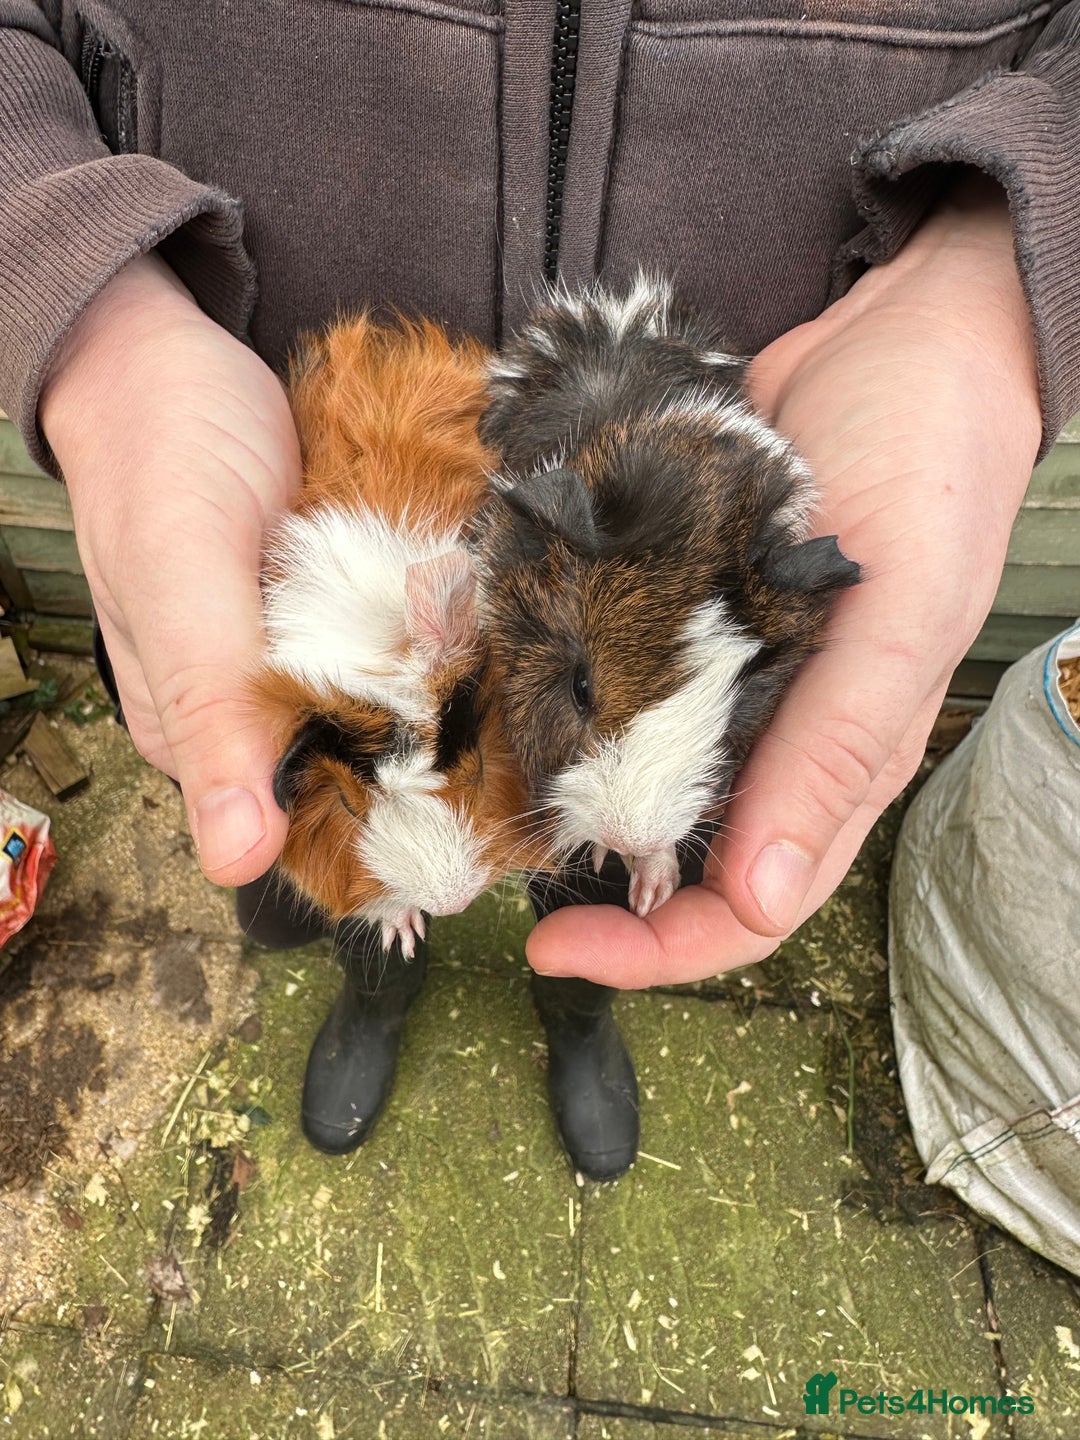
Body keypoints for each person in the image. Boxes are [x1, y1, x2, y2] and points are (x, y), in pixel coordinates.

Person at [1, 0, 1068, 1174]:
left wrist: (990, 268)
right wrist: (92, 306)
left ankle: (578, 1014)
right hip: (247, 460)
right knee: (329, 873)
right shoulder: (387, 681)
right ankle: (376, 990)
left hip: (770, 388)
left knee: (604, 897)